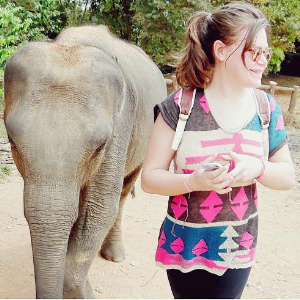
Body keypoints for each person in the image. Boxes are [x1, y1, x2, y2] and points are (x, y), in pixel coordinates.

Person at [141, 1, 296, 299]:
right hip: (183, 245)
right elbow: (150, 178)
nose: (263, 60)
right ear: (221, 51)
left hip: (238, 244)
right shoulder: (179, 107)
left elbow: (287, 177)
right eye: (254, 51)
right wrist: (193, 181)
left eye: (265, 52)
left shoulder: (267, 109)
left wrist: (258, 168)